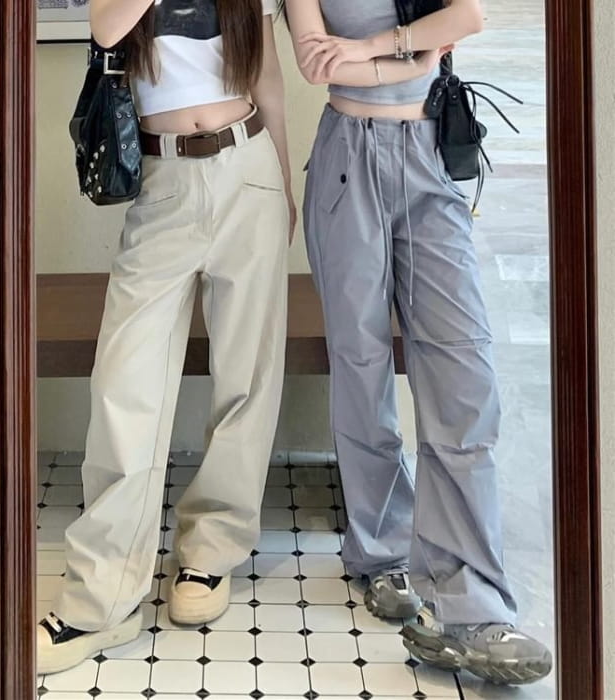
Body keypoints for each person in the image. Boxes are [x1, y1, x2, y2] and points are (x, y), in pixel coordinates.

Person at [282, 0, 552, 685]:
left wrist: (370, 50)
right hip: (346, 162)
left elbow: (467, 19)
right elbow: (317, 64)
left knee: (464, 374)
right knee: (361, 365)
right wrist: (409, 52)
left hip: (430, 156)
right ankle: (382, 553)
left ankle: (476, 604)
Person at [38, 0, 295, 675]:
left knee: (248, 376)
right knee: (125, 386)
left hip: (249, 168)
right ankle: (101, 598)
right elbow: (105, 27)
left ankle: (211, 552)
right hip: (163, 182)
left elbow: (267, 77)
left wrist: (283, 181)